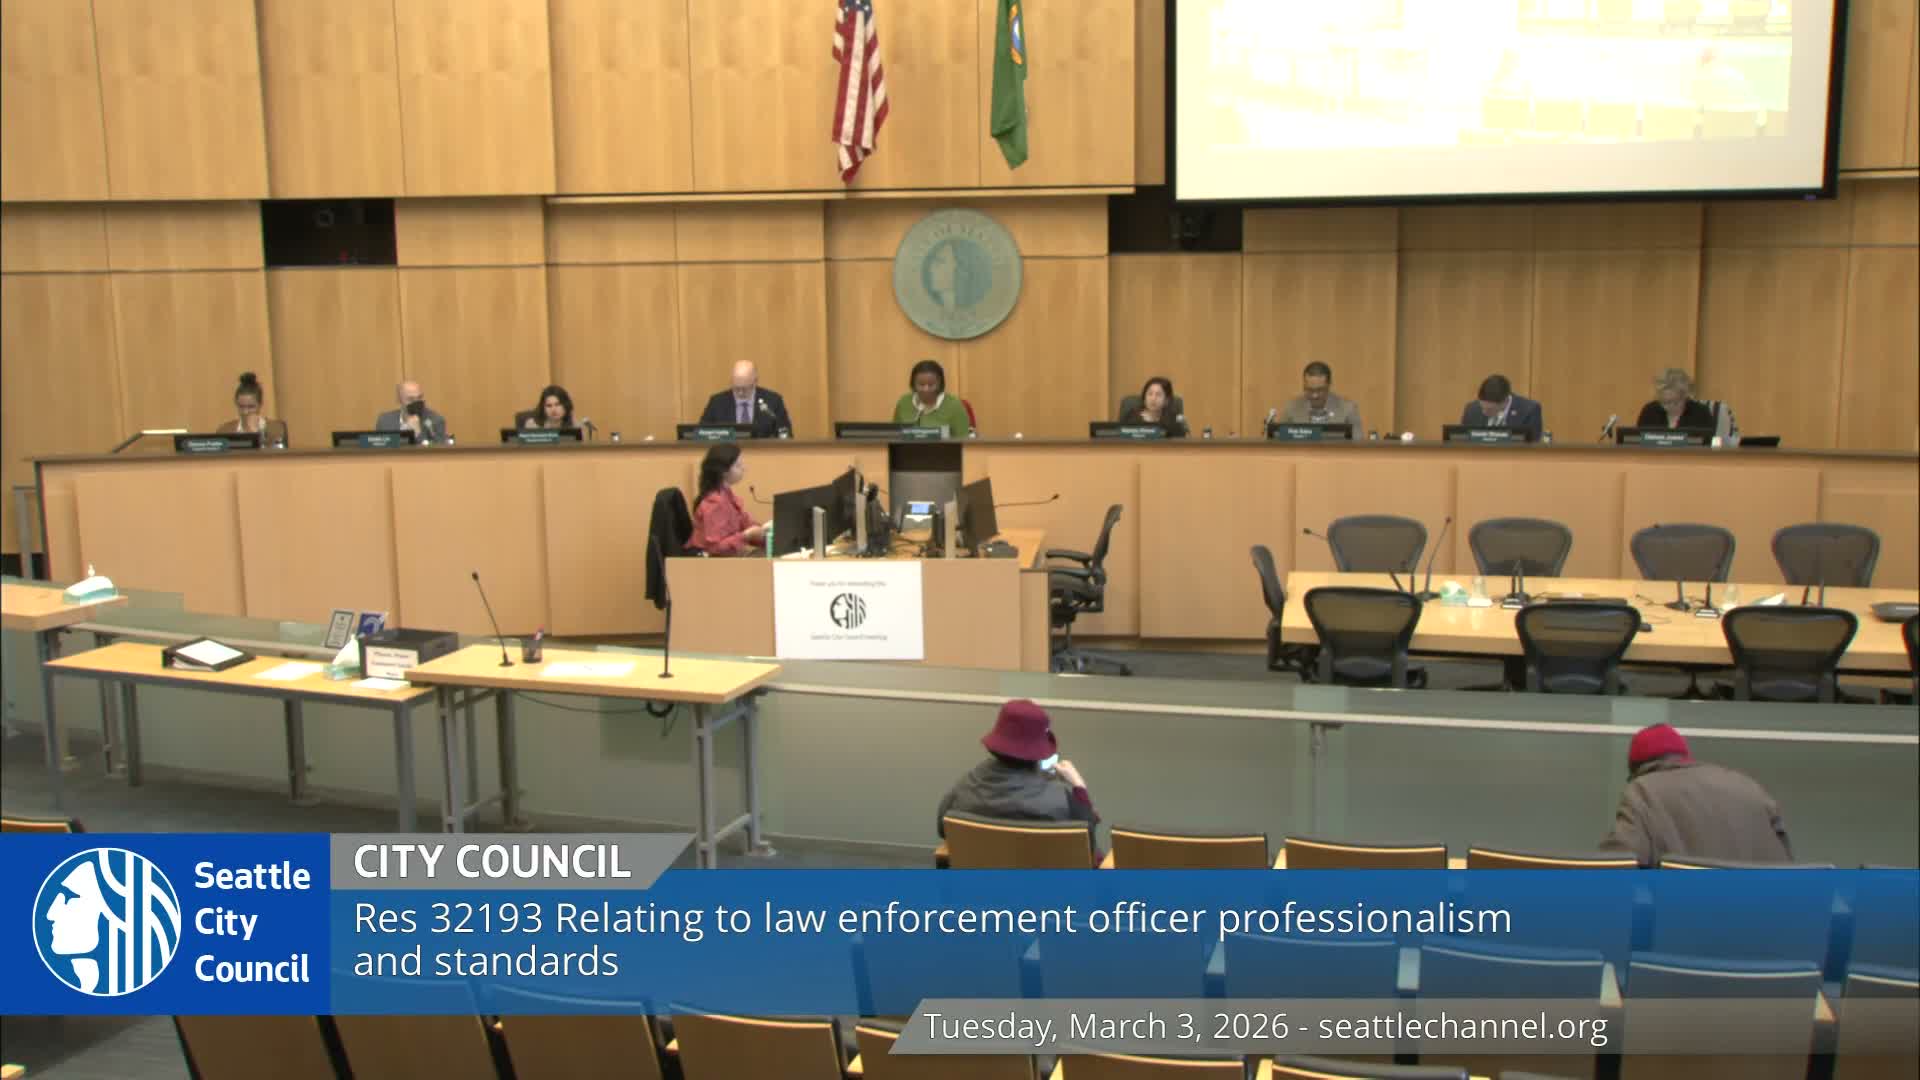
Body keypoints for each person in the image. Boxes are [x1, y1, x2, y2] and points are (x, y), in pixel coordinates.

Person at [1599, 723, 1793, 867]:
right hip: (1766, 908)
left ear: (1638, 771)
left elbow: (1616, 866)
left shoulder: (1642, 792)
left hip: (1686, 909)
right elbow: (1787, 864)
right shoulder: (1750, 786)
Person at [936, 700, 1099, 840]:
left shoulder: (964, 787)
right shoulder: (1060, 800)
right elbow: (1086, 840)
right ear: (1039, 751)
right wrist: (1079, 786)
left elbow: (943, 830)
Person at [687, 444, 765, 557]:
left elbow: (745, 523)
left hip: (729, 557)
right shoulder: (715, 503)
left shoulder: (727, 495)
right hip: (712, 563)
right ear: (724, 471)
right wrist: (746, 536)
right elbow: (715, 549)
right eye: (738, 465)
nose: (744, 468)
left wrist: (765, 530)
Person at [699, 361, 792, 438]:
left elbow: (785, 434)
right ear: (731, 381)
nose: (740, 393)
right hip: (727, 452)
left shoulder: (773, 401)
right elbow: (701, 434)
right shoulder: (717, 403)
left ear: (755, 382)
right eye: (736, 388)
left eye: (745, 389)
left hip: (763, 452)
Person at [1278, 361, 1364, 434]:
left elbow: (1357, 443)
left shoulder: (1347, 410)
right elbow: (1278, 439)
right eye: (1309, 390)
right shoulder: (1292, 408)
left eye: (1320, 390)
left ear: (1329, 385)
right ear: (1304, 386)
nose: (1314, 395)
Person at [893, 359, 970, 438]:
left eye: (931, 385)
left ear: (940, 384)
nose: (926, 389)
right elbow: (894, 435)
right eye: (921, 384)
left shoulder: (954, 405)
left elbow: (964, 440)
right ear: (913, 384)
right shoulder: (904, 402)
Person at [215, 371, 288, 446]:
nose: (245, 412)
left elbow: (277, 452)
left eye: (251, 407)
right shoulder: (224, 431)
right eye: (241, 406)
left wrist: (256, 433)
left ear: (260, 405)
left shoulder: (276, 429)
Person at [1635, 368, 1716, 433]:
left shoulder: (1700, 413)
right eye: (1665, 402)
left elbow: (1708, 443)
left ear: (1685, 396)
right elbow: (1639, 440)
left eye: (1676, 402)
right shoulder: (1649, 411)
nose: (1670, 406)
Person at [1458, 374, 1543, 434]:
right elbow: (1463, 441)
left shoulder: (1529, 411)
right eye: (1482, 407)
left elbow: (1533, 444)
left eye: (1489, 410)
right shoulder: (1472, 410)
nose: (1484, 412)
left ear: (1505, 401)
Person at [375, 379, 450, 443]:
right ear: (399, 400)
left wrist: (418, 433)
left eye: (419, 397)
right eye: (411, 399)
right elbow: (378, 447)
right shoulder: (385, 421)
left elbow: (438, 451)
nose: (416, 402)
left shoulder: (435, 420)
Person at [1118, 376, 1189, 437]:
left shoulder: (1173, 420)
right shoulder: (1132, 417)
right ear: (1144, 398)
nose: (1153, 398)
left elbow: (1181, 440)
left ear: (1166, 400)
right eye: (1150, 394)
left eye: (1158, 395)